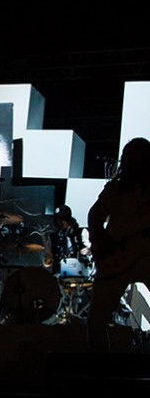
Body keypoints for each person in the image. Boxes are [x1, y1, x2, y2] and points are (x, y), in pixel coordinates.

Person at [87, 137, 150, 352]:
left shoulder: (117, 188)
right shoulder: (114, 189)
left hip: (140, 257)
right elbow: (95, 214)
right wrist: (98, 238)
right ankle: (102, 372)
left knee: (96, 323)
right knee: (95, 323)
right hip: (115, 260)